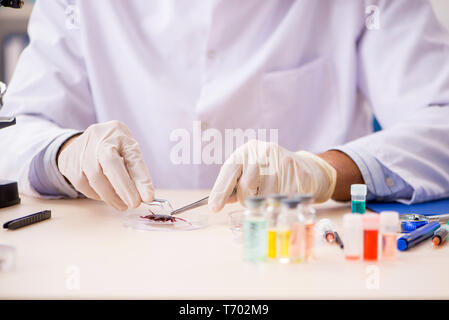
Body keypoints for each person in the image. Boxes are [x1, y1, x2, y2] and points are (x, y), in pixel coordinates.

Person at [0, 0, 448, 212]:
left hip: (302, 262)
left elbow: (441, 119)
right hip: (124, 264)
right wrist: (68, 151)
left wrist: (325, 172)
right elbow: (18, 129)